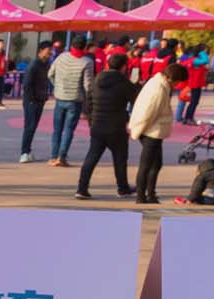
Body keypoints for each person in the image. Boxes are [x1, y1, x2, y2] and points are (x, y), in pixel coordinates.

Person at [75, 53, 136, 201]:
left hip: (98, 124)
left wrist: (91, 121)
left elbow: (88, 104)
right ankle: (122, 188)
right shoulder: (124, 82)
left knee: (92, 157)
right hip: (116, 125)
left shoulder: (96, 80)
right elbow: (136, 99)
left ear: (108, 64)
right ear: (123, 67)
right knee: (120, 158)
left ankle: (82, 189)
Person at [130, 62, 188, 204]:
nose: (178, 85)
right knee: (147, 165)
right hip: (151, 131)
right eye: (178, 82)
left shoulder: (158, 83)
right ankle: (141, 196)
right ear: (171, 78)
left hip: (153, 130)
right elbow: (149, 113)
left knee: (155, 164)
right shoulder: (159, 89)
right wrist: (138, 130)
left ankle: (150, 194)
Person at [47, 36, 95, 166]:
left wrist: (57, 86)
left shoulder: (61, 57)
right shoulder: (87, 62)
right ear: (85, 47)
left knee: (57, 129)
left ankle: (53, 156)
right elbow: (88, 85)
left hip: (60, 97)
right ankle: (62, 157)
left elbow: (50, 74)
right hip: (75, 100)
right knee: (68, 129)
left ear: (72, 45)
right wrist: (89, 98)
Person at [20, 41, 54, 163]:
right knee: (29, 126)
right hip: (31, 101)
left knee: (33, 126)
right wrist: (31, 99)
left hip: (40, 99)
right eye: (48, 50)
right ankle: (24, 153)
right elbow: (26, 84)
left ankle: (28, 151)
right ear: (40, 50)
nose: (50, 52)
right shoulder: (34, 65)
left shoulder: (46, 64)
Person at [177, 45, 210, 124]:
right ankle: (188, 118)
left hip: (195, 84)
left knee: (193, 102)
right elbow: (206, 60)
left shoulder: (193, 60)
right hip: (194, 84)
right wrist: (202, 52)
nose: (206, 52)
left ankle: (188, 118)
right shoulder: (195, 61)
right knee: (194, 102)